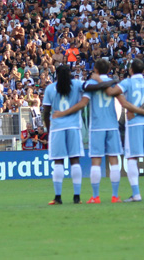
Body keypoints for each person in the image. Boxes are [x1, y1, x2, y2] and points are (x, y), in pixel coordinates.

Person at [53, 58, 121, 204]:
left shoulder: (91, 83)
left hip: (97, 126)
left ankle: (95, 197)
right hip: (112, 125)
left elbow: (83, 103)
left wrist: (64, 113)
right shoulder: (113, 83)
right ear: (108, 70)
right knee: (114, 159)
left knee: (96, 160)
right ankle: (115, 196)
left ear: (95, 69)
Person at [106, 58, 144, 202]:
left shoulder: (127, 82)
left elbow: (113, 92)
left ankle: (136, 194)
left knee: (131, 158)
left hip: (133, 123)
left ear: (130, 70)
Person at [43, 65, 88, 205]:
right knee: (75, 161)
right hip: (74, 126)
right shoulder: (76, 84)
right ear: (70, 74)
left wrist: (49, 128)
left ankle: (58, 197)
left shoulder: (50, 88)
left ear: (55, 75)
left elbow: (46, 112)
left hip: (57, 128)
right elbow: (89, 86)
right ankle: (77, 197)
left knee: (58, 162)